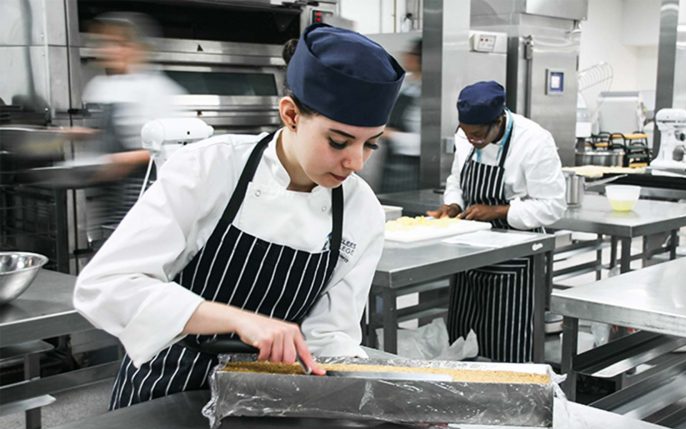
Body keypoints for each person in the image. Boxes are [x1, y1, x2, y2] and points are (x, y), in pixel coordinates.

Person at [73, 23, 405, 409]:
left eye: (371, 144)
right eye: (338, 141)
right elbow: (105, 286)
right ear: (291, 114)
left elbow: (330, 336)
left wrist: (379, 400)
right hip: (164, 394)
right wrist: (237, 319)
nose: (356, 162)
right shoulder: (210, 168)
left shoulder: (360, 210)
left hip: (269, 401)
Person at [428, 81, 566, 363]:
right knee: (462, 340)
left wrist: (500, 211)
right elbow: (456, 179)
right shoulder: (467, 136)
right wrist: (454, 202)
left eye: (478, 135)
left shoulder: (534, 141)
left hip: (515, 259)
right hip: (469, 253)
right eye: (466, 134)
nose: (472, 141)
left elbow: (553, 207)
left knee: (507, 344)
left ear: (499, 120)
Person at [81, 12, 186, 245]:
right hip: (107, 195)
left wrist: (121, 161)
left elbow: (174, 148)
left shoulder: (157, 89)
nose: (108, 50)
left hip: (141, 193)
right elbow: (100, 132)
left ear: (138, 47)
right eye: (103, 43)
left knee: (133, 253)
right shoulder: (99, 85)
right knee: (106, 250)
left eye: (118, 44)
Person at [379, 38, 421, 193]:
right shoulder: (406, 85)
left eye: (412, 54)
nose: (407, 57)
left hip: (411, 170)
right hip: (390, 164)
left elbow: (424, 143)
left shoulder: (427, 95)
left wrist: (389, 134)